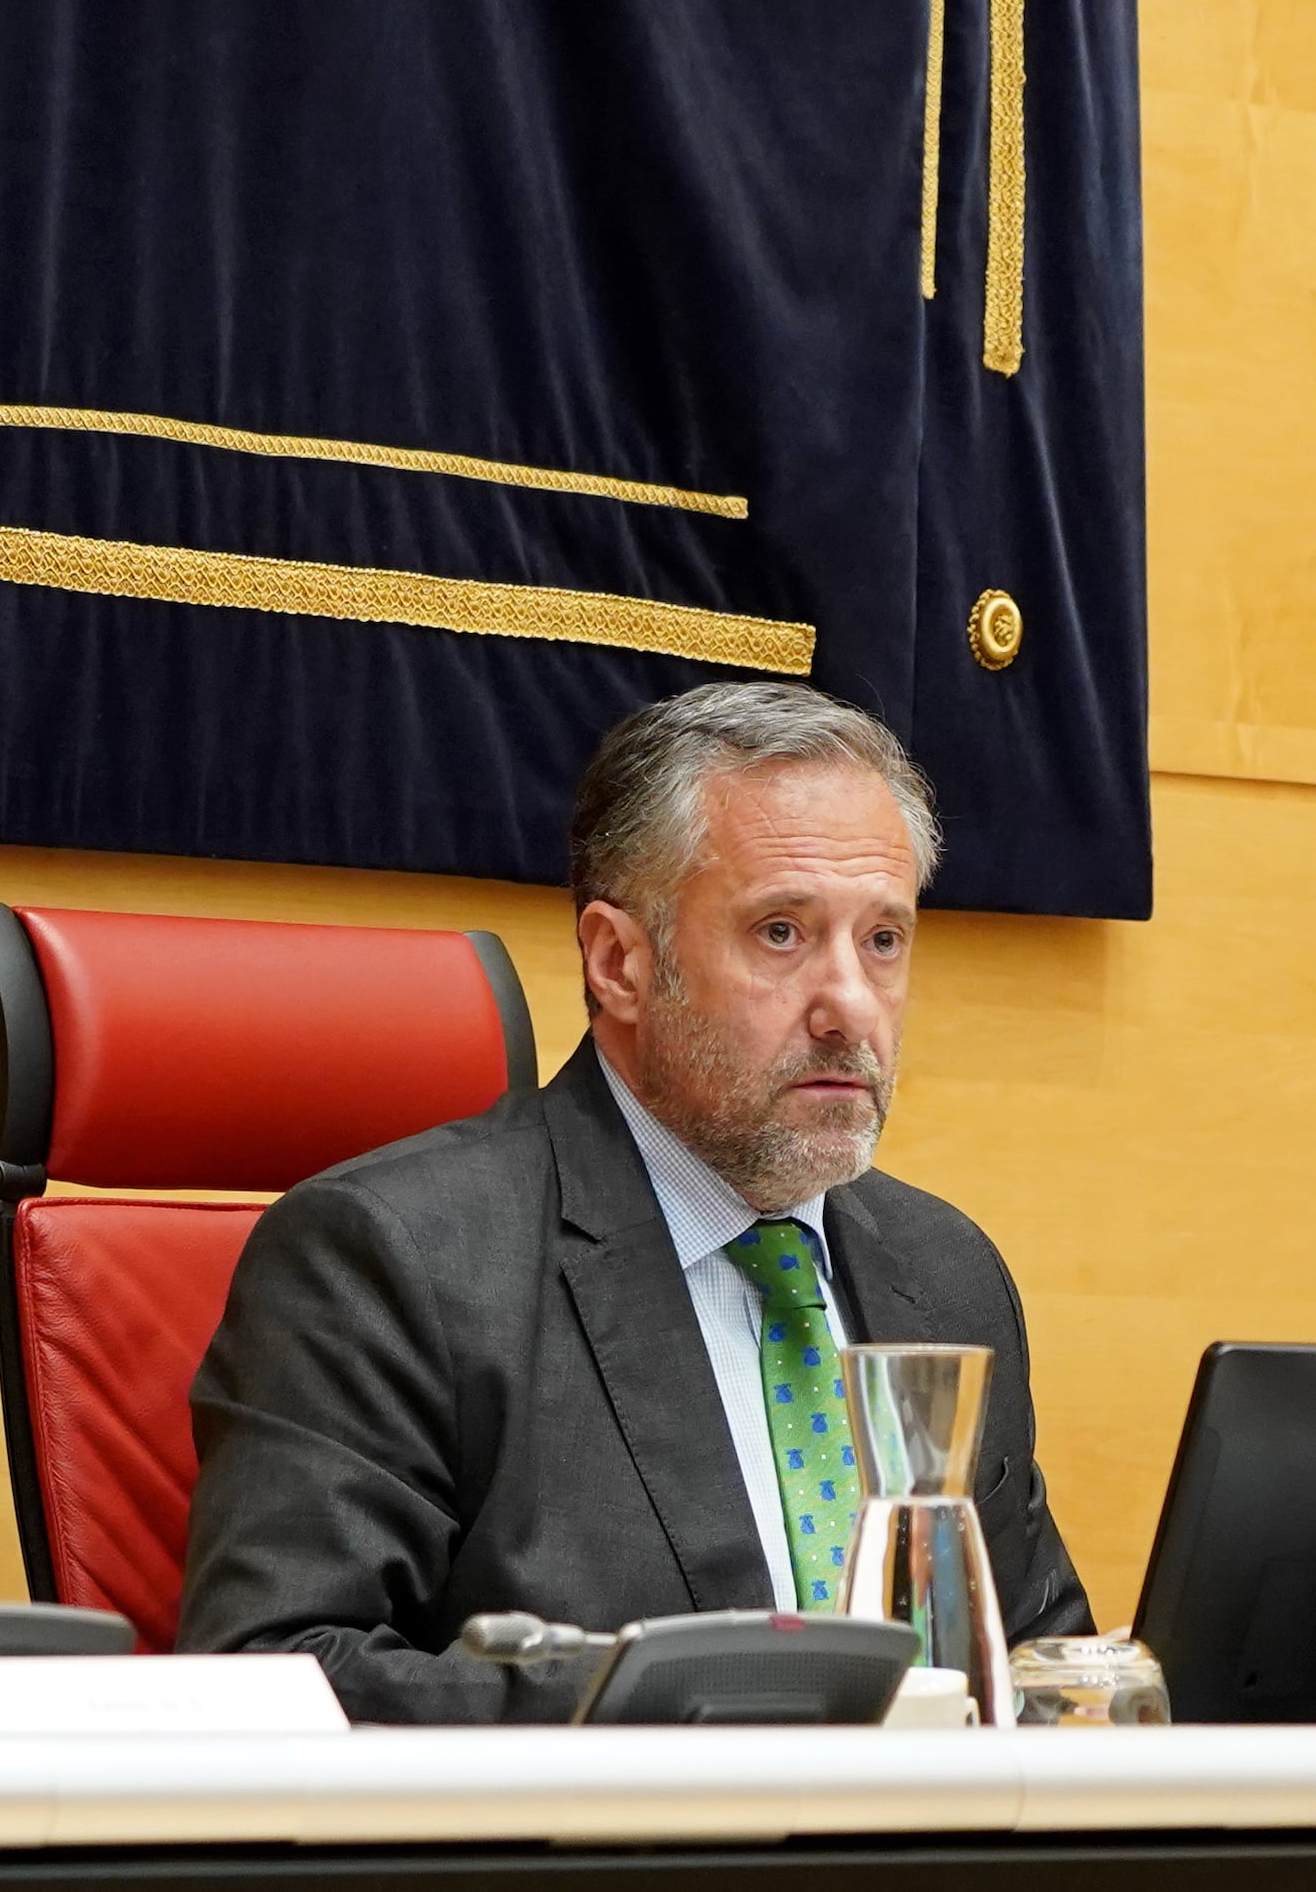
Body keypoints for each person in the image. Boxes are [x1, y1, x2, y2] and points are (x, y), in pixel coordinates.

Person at [178, 680, 1091, 1720]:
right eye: (781, 934)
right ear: (619, 961)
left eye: (881, 940)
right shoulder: (393, 1258)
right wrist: (675, 1703)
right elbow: (271, 1671)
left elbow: (1032, 1659)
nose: (849, 1007)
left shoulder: (943, 1269)